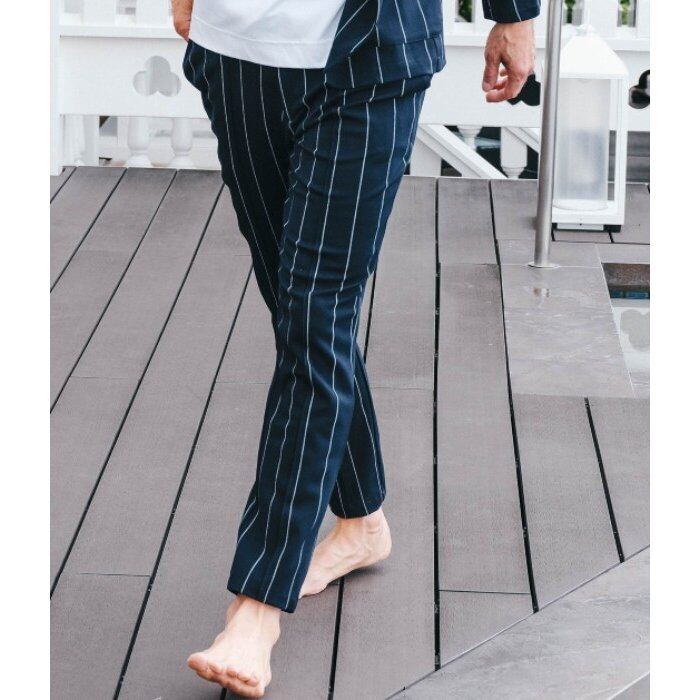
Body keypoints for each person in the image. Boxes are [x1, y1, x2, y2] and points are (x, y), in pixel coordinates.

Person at [171, 0, 538, 696]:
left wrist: (514, 13)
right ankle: (363, 519)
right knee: (300, 313)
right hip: (237, 55)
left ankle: (256, 605)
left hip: (370, 57)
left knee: (315, 311)